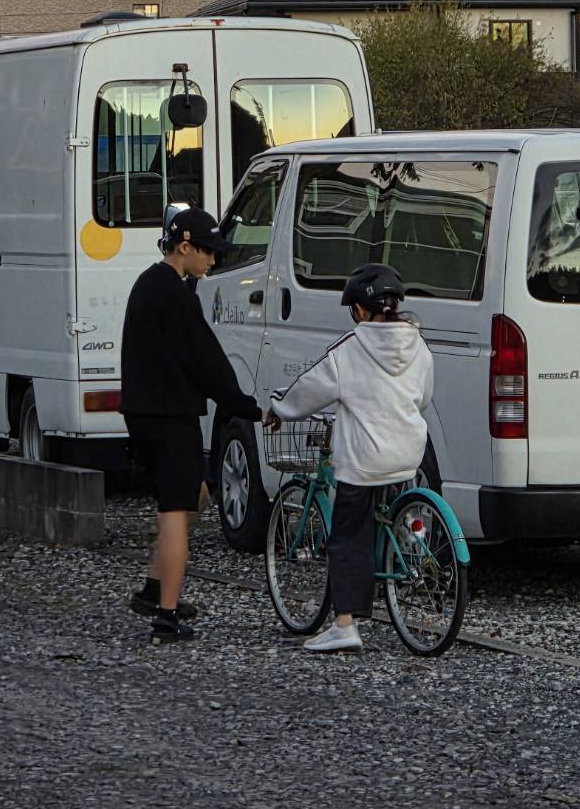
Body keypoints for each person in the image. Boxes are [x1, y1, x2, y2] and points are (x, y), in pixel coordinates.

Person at [265, 263, 433, 654]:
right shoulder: (419, 346)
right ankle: (412, 539)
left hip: (364, 459)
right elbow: (423, 397)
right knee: (392, 505)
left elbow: (308, 388)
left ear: (360, 310)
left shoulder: (351, 349)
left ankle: (345, 624)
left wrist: (279, 408)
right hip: (408, 451)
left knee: (347, 536)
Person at [120, 206, 263, 644]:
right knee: (176, 514)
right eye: (209, 252)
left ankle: (152, 588)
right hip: (169, 418)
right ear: (185, 246)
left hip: (146, 413)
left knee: (193, 495)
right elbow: (206, 360)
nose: (214, 262)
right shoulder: (174, 294)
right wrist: (245, 406)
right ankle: (166, 615)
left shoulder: (153, 284)